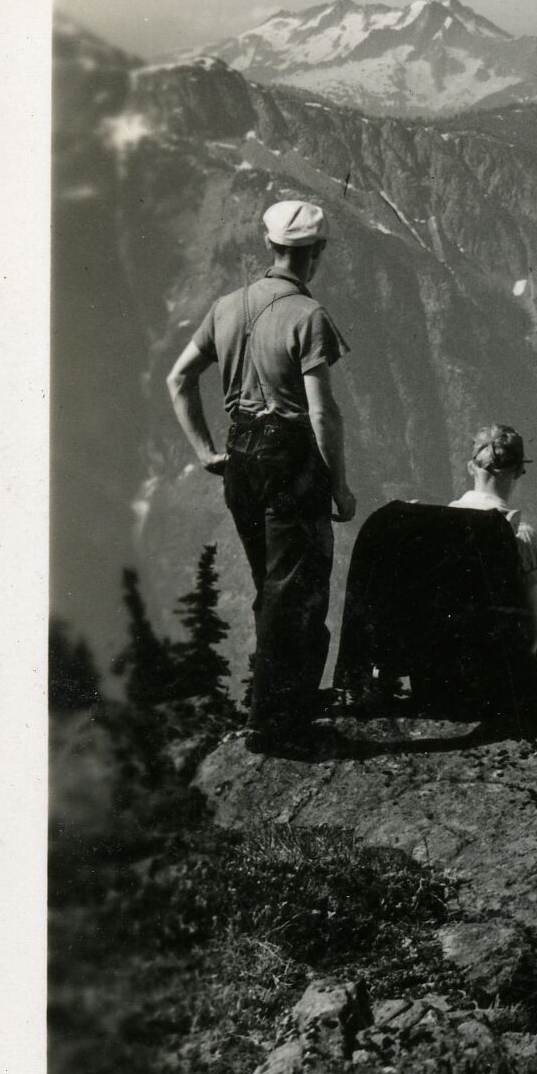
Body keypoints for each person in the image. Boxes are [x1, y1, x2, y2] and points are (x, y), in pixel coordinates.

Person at [165, 198, 356, 754]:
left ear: (269, 246)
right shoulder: (308, 316)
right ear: (315, 253)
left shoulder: (227, 306)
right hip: (291, 456)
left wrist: (204, 450)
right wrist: (338, 487)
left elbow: (179, 379)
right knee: (296, 594)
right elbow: (322, 413)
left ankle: (271, 710)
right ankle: (279, 726)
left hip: (241, 454)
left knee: (270, 590)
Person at [450, 424, 537, 639]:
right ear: (518, 472)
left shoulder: (438, 519)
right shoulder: (521, 535)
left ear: (470, 467)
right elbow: (531, 628)